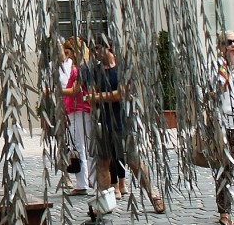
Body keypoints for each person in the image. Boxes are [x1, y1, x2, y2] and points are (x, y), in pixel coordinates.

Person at [86, 36, 165, 213]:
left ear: (108, 47)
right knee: (103, 163)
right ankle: (103, 203)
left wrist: (102, 96)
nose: (96, 52)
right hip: (102, 121)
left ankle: (153, 195)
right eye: (93, 50)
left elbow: (120, 95)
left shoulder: (123, 68)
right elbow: (91, 97)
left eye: (98, 48)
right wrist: (109, 96)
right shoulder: (94, 71)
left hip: (123, 120)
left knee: (133, 160)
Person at [212, 30, 234, 225]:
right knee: (225, 169)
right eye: (229, 42)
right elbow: (210, 95)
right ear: (221, 46)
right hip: (226, 124)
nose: (233, 45)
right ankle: (224, 212)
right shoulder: (217, 67)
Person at [60, 36, 91, 195]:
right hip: (75, 108)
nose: (68, 56)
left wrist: (55, 91)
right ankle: (85, 181)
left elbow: (75, 90)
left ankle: (82, 183)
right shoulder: (80, 67)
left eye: (68, 52)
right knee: (80, 146)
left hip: (79, 109)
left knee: (80, 146)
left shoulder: (81, 68)